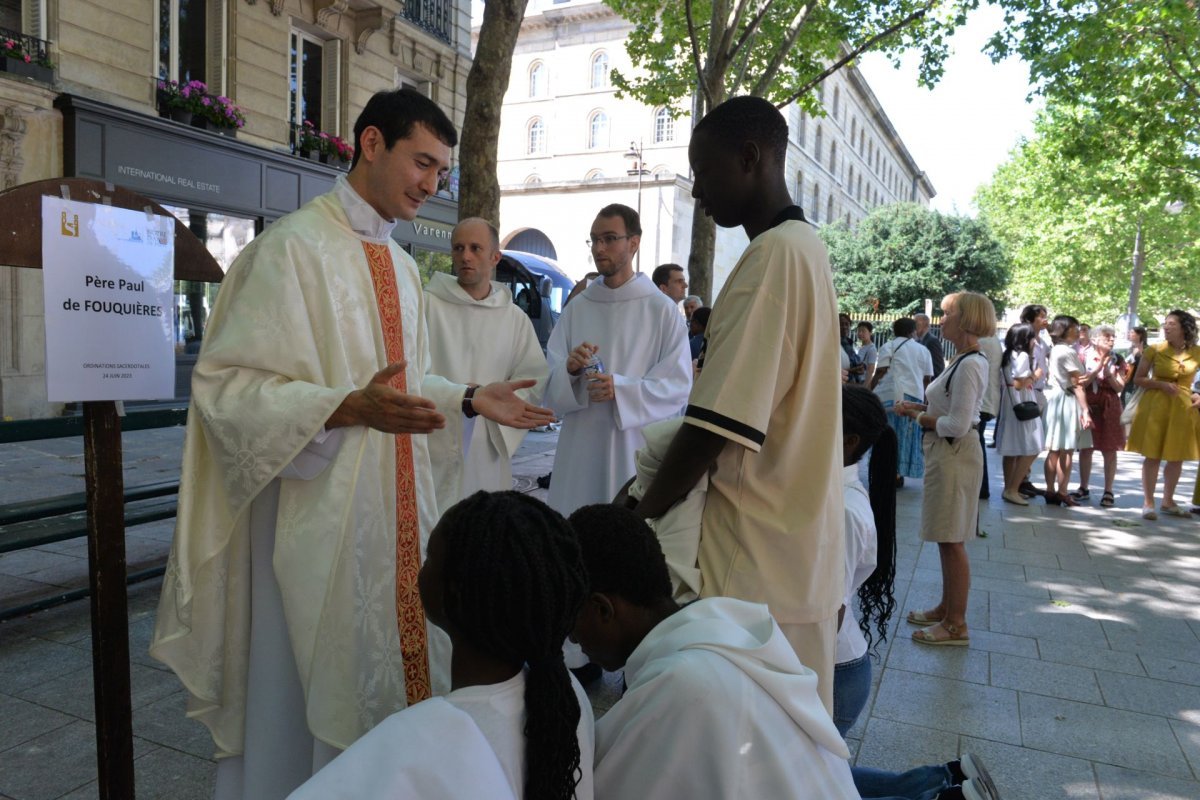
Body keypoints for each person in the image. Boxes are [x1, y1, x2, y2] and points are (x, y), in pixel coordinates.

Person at [150, 89, 556, 799]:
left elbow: (398, 384)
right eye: (422, 163)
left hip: (392, 522)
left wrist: (463, 396)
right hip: (312, 525)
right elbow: (226, 391)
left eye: (442, 172)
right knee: (300, 699)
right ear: (371, 143)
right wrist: (340, 407)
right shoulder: (288, 252)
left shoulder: (401, 268)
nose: (431, 186)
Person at [629, 96, 844, 713]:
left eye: (704, 171)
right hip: (795, 544)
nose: (698, 193)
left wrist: (640, 516)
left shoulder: (772, 257)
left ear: (749, 158)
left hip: (754, 557)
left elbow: (713, 427)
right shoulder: (806, 247)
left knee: (748, 755)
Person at [570, 504, 1002, 800]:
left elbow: (607, 783)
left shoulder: (682, 684)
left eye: (572, 621)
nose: (573, 640)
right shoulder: (721, 623)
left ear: (603, 608)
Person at [290, 491, 594, 800]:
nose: (419, 572)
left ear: (455, 594)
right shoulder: (566, 693)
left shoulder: (422, 739)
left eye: (429, 559)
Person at [543, 204, 692, 514]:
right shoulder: (577, 308)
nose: (599, 248)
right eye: (594, 239)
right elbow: (548, 378)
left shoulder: (661, 310)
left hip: (632, 448)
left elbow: (677, 386)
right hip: (579, 447)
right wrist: (569, 371)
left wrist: (620, 389)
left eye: (610, 238)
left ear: (633, 243)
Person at [425, 217, 549, 511]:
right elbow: (412, 370)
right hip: (434, 439)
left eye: (475, 248)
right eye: (458, 248)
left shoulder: (513, 318)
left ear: (495, 257)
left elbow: (532, 377)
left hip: (487, 441)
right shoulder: (426, 305)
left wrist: (505, 409)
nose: (465, 256)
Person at [896, 292, 996, 647]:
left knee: (952, 539)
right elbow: (954, 408)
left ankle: (956, 623)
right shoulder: (964, 360)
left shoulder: (970, 363)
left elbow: (957, 424)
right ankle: (947, 607)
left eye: (947, 313)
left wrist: (919, 416)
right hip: (947, 453)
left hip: (953, 453)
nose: (941, 320)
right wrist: (921, 406)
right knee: (946, 535)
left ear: (966, 319)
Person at [834, 385, 897, 737]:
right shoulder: (833, 495)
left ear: (848, 441)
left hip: (832, 672)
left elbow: (833, 608)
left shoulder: (843, 509)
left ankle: (939, 785)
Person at [1126, 310, 1200, 519]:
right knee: (1153, 455)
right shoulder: (1155, 350)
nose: (1166, 327)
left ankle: (1168, 501)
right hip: (1156, 406)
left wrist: (1199, 395)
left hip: (1184, 409)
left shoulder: (1197, 351)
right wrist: (1160, 384)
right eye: (1165, 324)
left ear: (1185, 328)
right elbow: (1138, 379)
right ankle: (1148, 502)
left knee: (1176, 456)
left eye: (1171, 324)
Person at [871, 317, 934, 487]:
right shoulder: (923, 350)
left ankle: (887, 470)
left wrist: (869, 390)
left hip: (889, 397)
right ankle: (899, 473)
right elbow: (927, 379)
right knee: (906, 437)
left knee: (887, 435)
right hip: (914, 398)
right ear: (912, 331)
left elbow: (881, 372)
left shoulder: (888, 346)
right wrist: (926, 403)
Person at [1071, 324, 1126, 507]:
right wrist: (1098, 369)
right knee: (1086, 447)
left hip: (1110, 407)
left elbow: (1119, 387)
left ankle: (1108, 490)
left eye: (1113, 336)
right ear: (1094, 339)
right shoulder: (1083, 357)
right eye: (1107, 336)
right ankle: (1083, 487)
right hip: (1090, 405)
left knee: (1109, 449)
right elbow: (1081, 384)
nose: (1111, 339)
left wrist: (1109, 374)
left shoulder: (1117, 359)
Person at [1042, 315, 1093, 507]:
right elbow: (1077, 384)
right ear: (1066, 329)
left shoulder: (1056, 349)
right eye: (1075, 327)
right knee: (1067, 450)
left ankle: (1050, 490)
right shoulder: (1068, 352)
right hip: (1068, 400)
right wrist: (1085, 410)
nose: (1078, 331)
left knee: (1054, 449)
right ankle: (1062, 491)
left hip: (1056, 399)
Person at [995, 324, 1044, 506]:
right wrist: (1035, 375)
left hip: (1011, 403)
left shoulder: (1008, 354)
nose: (1034, 341)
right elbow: (1018, 383)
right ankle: (1013, 488)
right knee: (1034, 445)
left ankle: (1009, 488)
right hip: (1022, 402)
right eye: (1032, 338)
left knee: (1011, 449)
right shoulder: (1022, 355)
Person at [1016, 304, 1050, 497]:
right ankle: (1017, 480)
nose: (1045, 320)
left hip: (1039, 391)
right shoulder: (1024, 338)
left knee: (1033, 441)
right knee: (1031, 441)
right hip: (1028, 391)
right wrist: (1035, 377)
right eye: (1041, 316)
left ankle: (1024, 478)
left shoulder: (1042, 341)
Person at [976, 331, 1003, 498]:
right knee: (977, 444)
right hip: (986, 400)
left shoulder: (982, 341)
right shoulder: (990, 339)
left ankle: (980, 487)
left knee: (976, 445)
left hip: (982, 401)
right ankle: (981, 488)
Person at [914, 313, 946, 378]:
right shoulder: (917, 341)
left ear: (925, 325)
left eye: (916, 324)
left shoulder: (932, 341)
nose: (914, 327)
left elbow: (938, 367)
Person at [841, 312, 865, 383]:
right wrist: (852, 370)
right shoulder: (832, 344)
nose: (844, 327)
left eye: (847, 324)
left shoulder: (848, 343)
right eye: (841, 324)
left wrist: (860, 368)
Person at [856, 321, 879, 387]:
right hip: (857, 381)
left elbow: (870, 370)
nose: (860, 333)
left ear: (870, 333)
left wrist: (864, 387)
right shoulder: (862, 347)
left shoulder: (872, 349)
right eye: (859, 331)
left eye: (863, 331)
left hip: (863, 382)